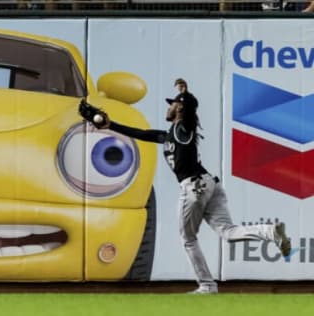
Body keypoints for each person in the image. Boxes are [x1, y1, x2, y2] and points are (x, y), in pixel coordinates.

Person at [79, 90, 292, 294]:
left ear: (180, 108)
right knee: (228, 232)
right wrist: (110, 125)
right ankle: (270, 232)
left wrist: (186, 95)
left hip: (194, 187)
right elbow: (144, 134)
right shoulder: (171, 134)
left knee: (188, 238)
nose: (169, 107)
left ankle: (207, 285)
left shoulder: (183, 129)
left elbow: (188, 120)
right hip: (209, 184)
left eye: (172, 103)